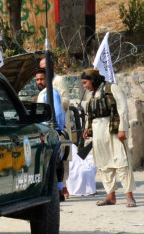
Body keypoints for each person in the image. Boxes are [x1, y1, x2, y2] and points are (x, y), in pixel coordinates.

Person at [81, 68, 136, 207]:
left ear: (92, 80)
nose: (84, 86)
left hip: (113, 129)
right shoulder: (92, 94)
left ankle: (129, 196)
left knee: (122, 161)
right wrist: (87, 128)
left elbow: (123, 109)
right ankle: (110, 197)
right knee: (103, 164)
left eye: (85, 82)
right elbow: (90, 114)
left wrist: (122, 129)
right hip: (98, 131)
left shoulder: (113, 88)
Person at [35, 67, 68, 199]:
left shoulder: (51, 92)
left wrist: (57, 128)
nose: (39, 82)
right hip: (45, 132)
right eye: (37, 80)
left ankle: (58, 191)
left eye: (42, 79)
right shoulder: (43, 93)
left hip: (51, 131)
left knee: (56, 162)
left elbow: (58, 112)